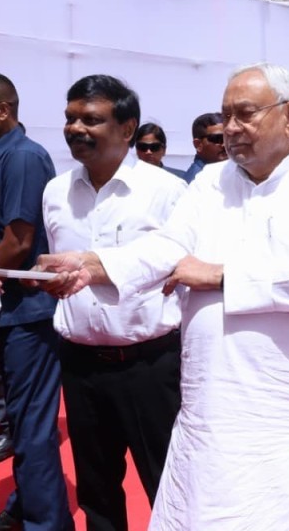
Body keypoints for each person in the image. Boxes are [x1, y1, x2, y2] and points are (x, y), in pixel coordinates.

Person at [36, 63, 289, 530]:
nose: (231, 128)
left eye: (245, 114)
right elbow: (167, 246)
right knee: (202, 508)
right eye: (226, 115)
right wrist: (92, 264)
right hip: (211, 396)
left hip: (285, 402)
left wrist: (219, 275)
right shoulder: (210, 181)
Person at [44, 75, 186, 529]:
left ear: (128, 129)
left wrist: (99, 266)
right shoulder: (55, 192)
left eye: (91, 119)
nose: (76, 128)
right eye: (70, 118)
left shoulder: (167, 192)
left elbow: (174, 264)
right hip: (81, 363)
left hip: (149, 365)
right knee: (97, 489)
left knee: (166, 482)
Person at [0, 72, 72, 531]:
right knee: (23, 423)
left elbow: (18, 240)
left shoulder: (23, 158)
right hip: (10, 312)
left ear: (3, 110)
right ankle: (29, 507)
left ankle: (45, 522)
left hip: (28, 315)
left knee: (30, 427)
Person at [183, 112, 225, 183]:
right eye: (217, 139)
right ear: (198, 145)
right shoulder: (197, 182)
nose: (225, 144)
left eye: (230, 138)